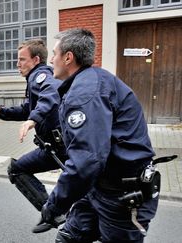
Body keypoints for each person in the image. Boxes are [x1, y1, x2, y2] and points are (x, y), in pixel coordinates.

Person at [40, 28, 158, 242]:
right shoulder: (90, 80)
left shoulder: (85, 93)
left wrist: (54, 205)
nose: (50, 60)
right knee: (68, 237)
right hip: (99, 187)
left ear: (68, 58)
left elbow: (86, 161)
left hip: (119, 198)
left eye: (53, 54)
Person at [0, 39, 66, 233]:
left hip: (60, 147)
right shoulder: (35, 78)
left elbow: (51, 95)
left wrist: (33, 120)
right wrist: (0, 112)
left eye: (22, 59)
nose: (17, 64)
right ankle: (55, 212)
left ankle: (54, 213)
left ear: (36, 59)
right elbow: (27, 109)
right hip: (56, 146)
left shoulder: (41, 75)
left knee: (17, 169)